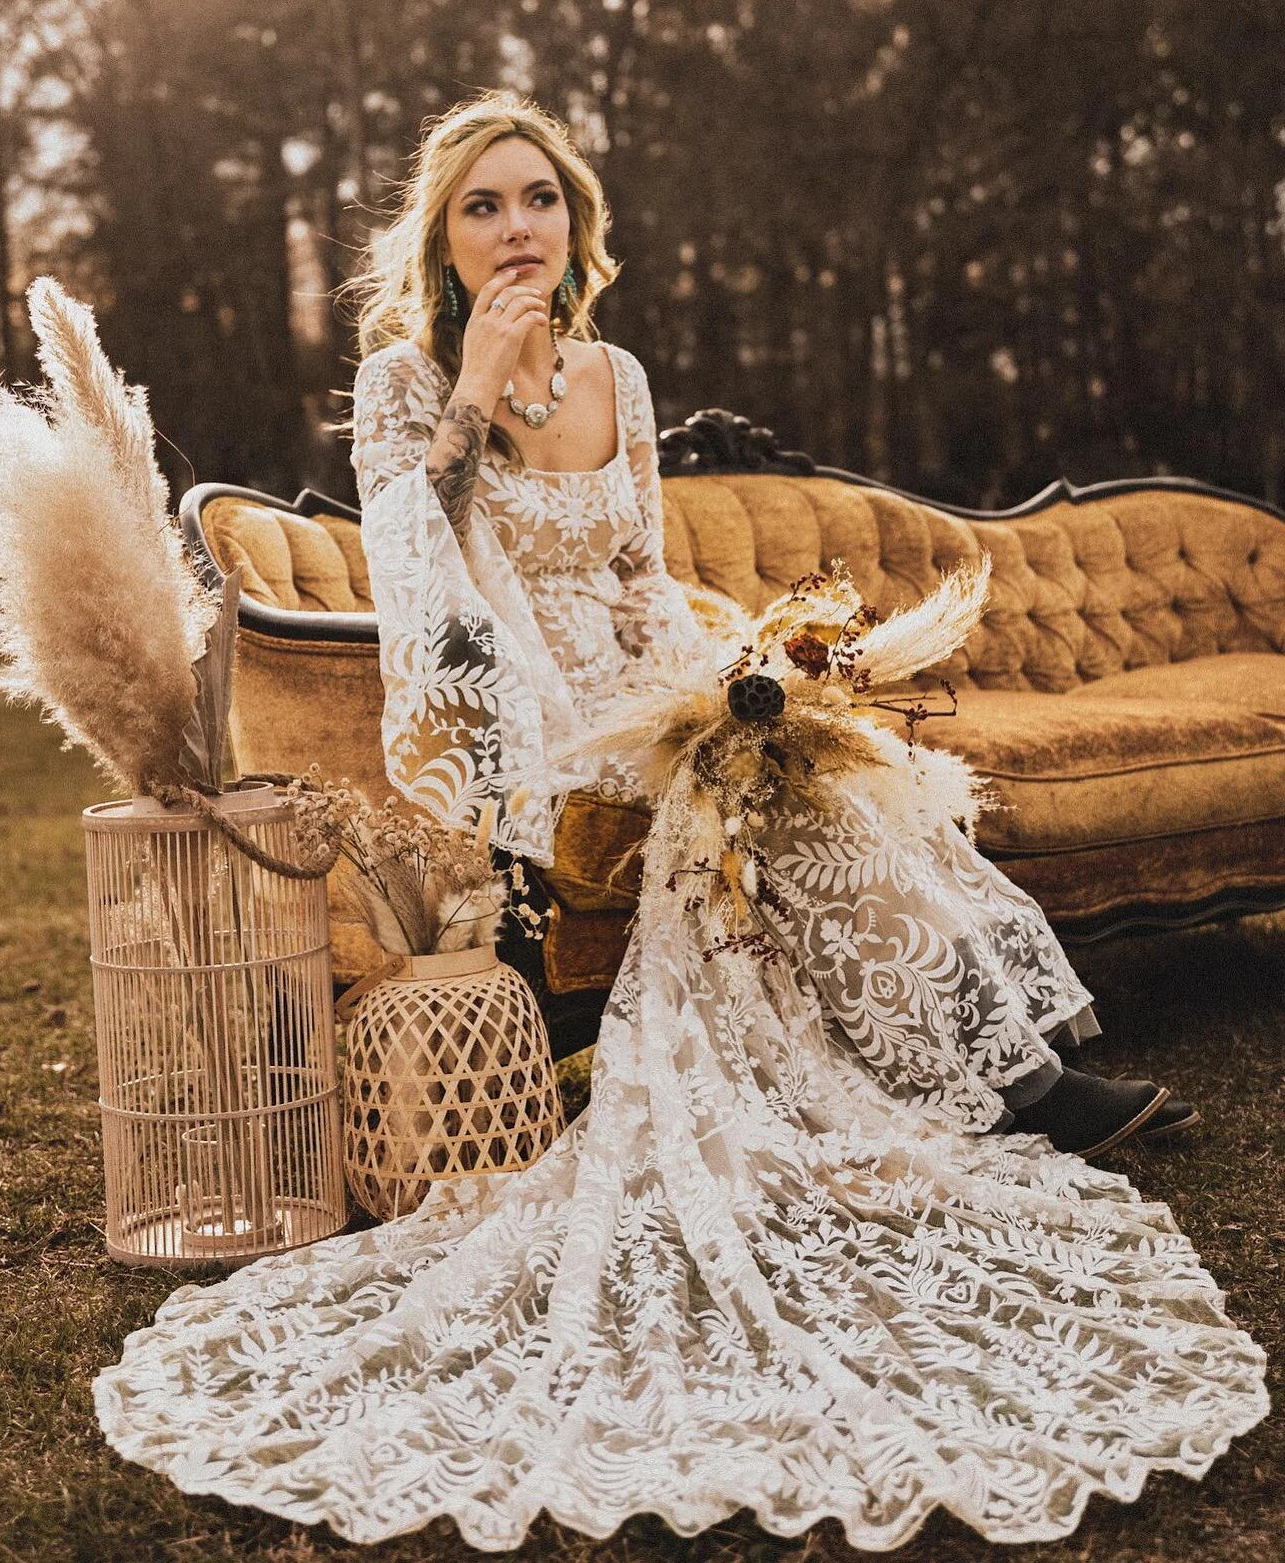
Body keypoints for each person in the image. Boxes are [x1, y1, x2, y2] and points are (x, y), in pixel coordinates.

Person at [95, 94, 1267, 1551]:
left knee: (816, 771)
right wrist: (476, 388)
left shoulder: (622, 377)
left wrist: (728, 672)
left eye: (539, 199)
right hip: (532, 718)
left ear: (575, 221)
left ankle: (999, 1079)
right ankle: (1017, 1094)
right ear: (444, 239)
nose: (517, 227)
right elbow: (420, 567)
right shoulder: (408, 381)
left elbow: (642, 569)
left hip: (645, 677)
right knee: (749, 803)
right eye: (483, 206)